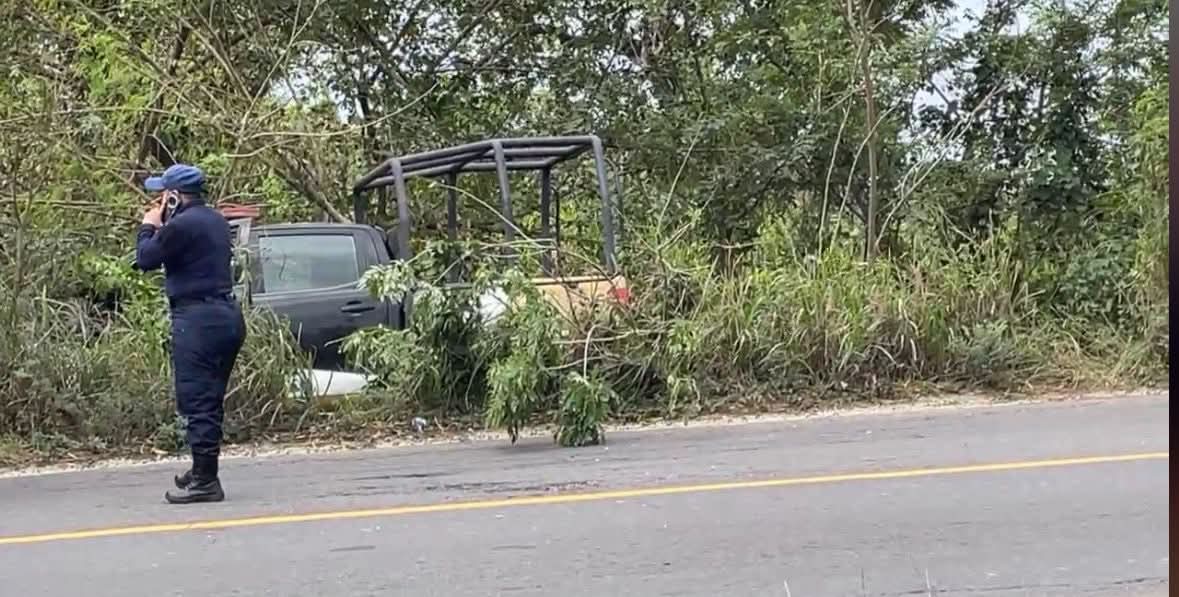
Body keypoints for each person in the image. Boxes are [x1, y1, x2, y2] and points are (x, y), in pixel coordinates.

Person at [136, 163, 246, 504]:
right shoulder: (214, 219)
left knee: (196, 400)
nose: (156, 202)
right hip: (225, 315)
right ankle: (202, 470)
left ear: (173, 197)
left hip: (198, 319)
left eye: (160, 196)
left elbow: (145, 258)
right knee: (209, 399)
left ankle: (206, 482)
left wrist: (147, 227)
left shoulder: (181, 225)